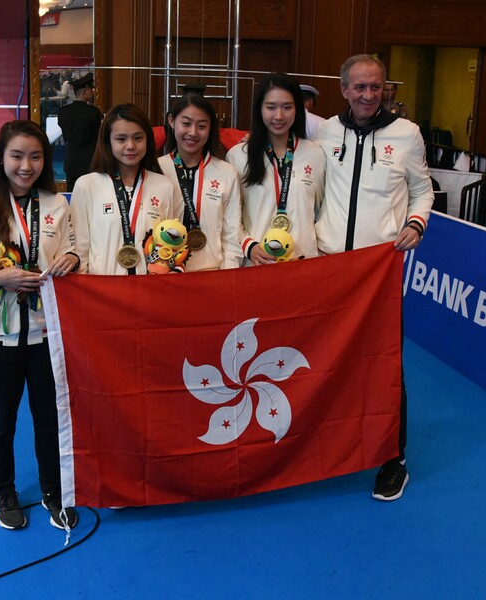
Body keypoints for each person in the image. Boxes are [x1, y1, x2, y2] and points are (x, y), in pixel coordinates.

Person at [314, 54, 434, 501]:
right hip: (326, 269)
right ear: (343, 89)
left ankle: (393, 459)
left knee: (384, 367)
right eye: (359, 87)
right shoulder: (325, 131)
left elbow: (423, 191)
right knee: (325, 363)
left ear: (386, 89)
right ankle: (326, 447)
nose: (368, 95)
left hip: (377, 274)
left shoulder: (407, 135)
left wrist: (418, 223)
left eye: (376, 87)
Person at [0, 120, 80, 530]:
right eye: (17, 155)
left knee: (50, 417)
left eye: (35, 156)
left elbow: (75, 249)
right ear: (0, 158)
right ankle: (4, 492)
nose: (26, 165)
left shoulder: (57, 204)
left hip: (48, 333)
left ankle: (53, 490)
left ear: (46, 159)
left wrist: (75, 260)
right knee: (0, 419)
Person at [71, 103, 184, 275]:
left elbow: (170, 244)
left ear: (148, 140)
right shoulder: (87, 185)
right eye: (121, 139)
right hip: (101, 292)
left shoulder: (164, 186)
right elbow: (81, 249)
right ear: (108, 141)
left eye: (138, 138)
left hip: (148, 291)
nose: (130, 146)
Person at [226, 72, 325, 266]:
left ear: (298, 108)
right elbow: (230, 217)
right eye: (271, 107)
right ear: (259, 109)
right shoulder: (238, 156)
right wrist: (249, 245)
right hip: (257, 264)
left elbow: (321, 212)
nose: (279, 116)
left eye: (287, 107)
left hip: (302, 263)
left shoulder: (316, 154)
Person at [159, 93, 244, 271]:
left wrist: (228, 275)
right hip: (166, 275)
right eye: (186, 123)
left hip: (213, 274)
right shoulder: (156, 170)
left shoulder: (226, 173)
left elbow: (232, 234)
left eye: (202, 126)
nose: (193, 133)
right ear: (172, 121)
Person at [57, 72, 102, 192]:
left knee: (72, 195)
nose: (92, 92)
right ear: (85, 91)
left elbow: (65, 137)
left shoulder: (63, 112)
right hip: (89, 162)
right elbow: (96, 137)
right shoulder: (93, 112)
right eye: (91, 89)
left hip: (71, 162)